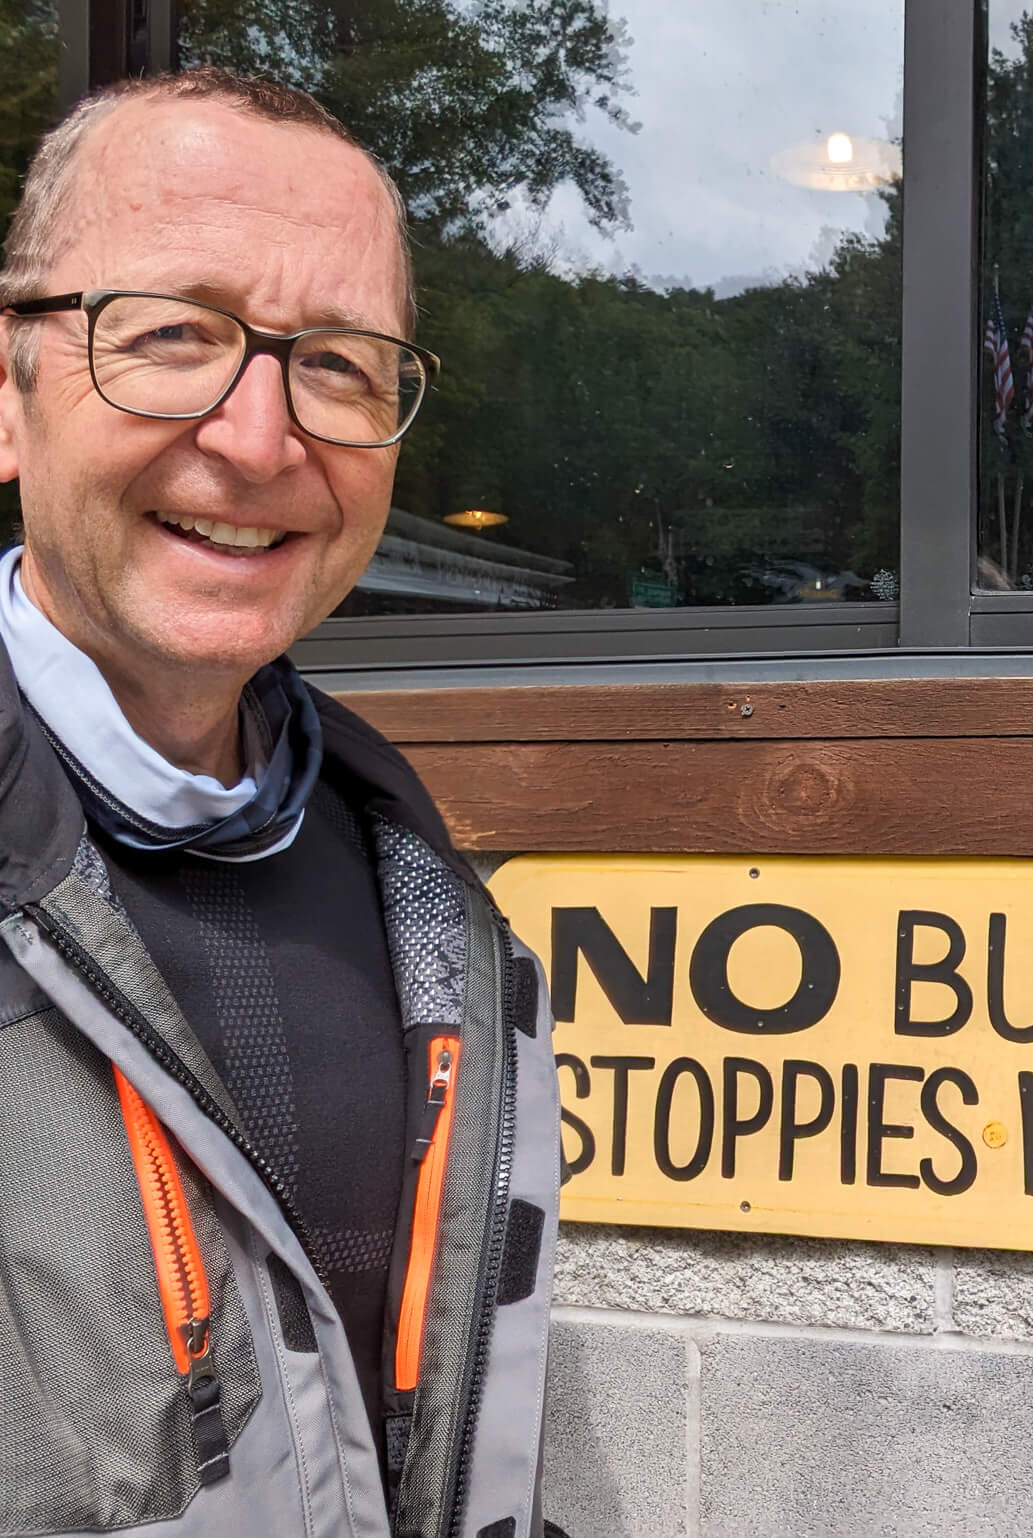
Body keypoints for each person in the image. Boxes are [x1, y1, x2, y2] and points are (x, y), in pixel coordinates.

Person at [0, 70, 560, 1538]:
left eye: (339, 366)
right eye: (175, 334)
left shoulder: (421, 892)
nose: (259, 439)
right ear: (10, 392)